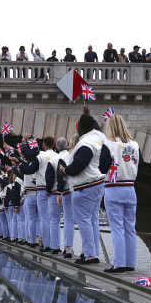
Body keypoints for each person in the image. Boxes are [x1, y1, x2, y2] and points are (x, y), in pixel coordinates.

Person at [61, 113, 105, 265]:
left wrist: (65, 171)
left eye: (78, 126)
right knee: (93, 220)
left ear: (82, 128)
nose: (77, 128)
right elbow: (97, 128)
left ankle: (90, 254)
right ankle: (93, 252)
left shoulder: (86, 143)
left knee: (84, 220)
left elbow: (78, 166)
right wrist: (89, 114)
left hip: (85, 186)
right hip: (98, 183)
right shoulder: (99, 136)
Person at [99, 114, 141, 273]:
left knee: (117, 228)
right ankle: (130, 263)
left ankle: (119, 263)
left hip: (113, 188)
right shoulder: (135, 145)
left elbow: (102, 168)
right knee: (130, 227)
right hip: (130, 188)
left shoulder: (108, 144)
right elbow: (140, 165)